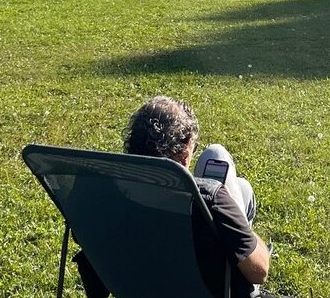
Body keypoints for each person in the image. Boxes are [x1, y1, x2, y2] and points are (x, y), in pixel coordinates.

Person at [115, 96, 272, 298]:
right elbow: (259, 271)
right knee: (221, 159)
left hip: (139, 285)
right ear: (184, 153)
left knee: (242, 187)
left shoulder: (107, 190)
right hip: (208, 288)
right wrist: (246, 233)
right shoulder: (209, 199)